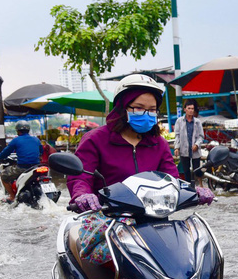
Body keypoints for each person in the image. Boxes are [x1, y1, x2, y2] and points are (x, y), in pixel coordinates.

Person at [67, 73, 215, 212]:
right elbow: (81, 177)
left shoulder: (159, 144)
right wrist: (83, 195)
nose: (146, 114)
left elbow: (172, 181)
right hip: (107, 216)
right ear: (122, 107)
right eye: (138, 108)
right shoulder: (95, 140)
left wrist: (192, 191)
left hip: (152, 217)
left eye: (152, 110)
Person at [0, 120, 43, 202]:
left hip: (23, 167)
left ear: (18, 131)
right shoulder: (36, 139)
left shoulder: (16, 140)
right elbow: (41, 151)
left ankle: (12, 196)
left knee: (3, 175)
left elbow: (6, 152)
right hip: (36, 166)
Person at [173, 99, 205, 183]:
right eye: (189, 108)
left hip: (195, 150)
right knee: (186, 172)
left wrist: (197, 145)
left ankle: (199, 186)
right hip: (184, 150)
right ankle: (189, 189)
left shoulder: (197, 122)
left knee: (197, 170)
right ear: (185, 109)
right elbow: (177, 135)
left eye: (192, 109)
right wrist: (177, 147)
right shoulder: (179, 121)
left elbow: (201, 136)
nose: (191, 110)